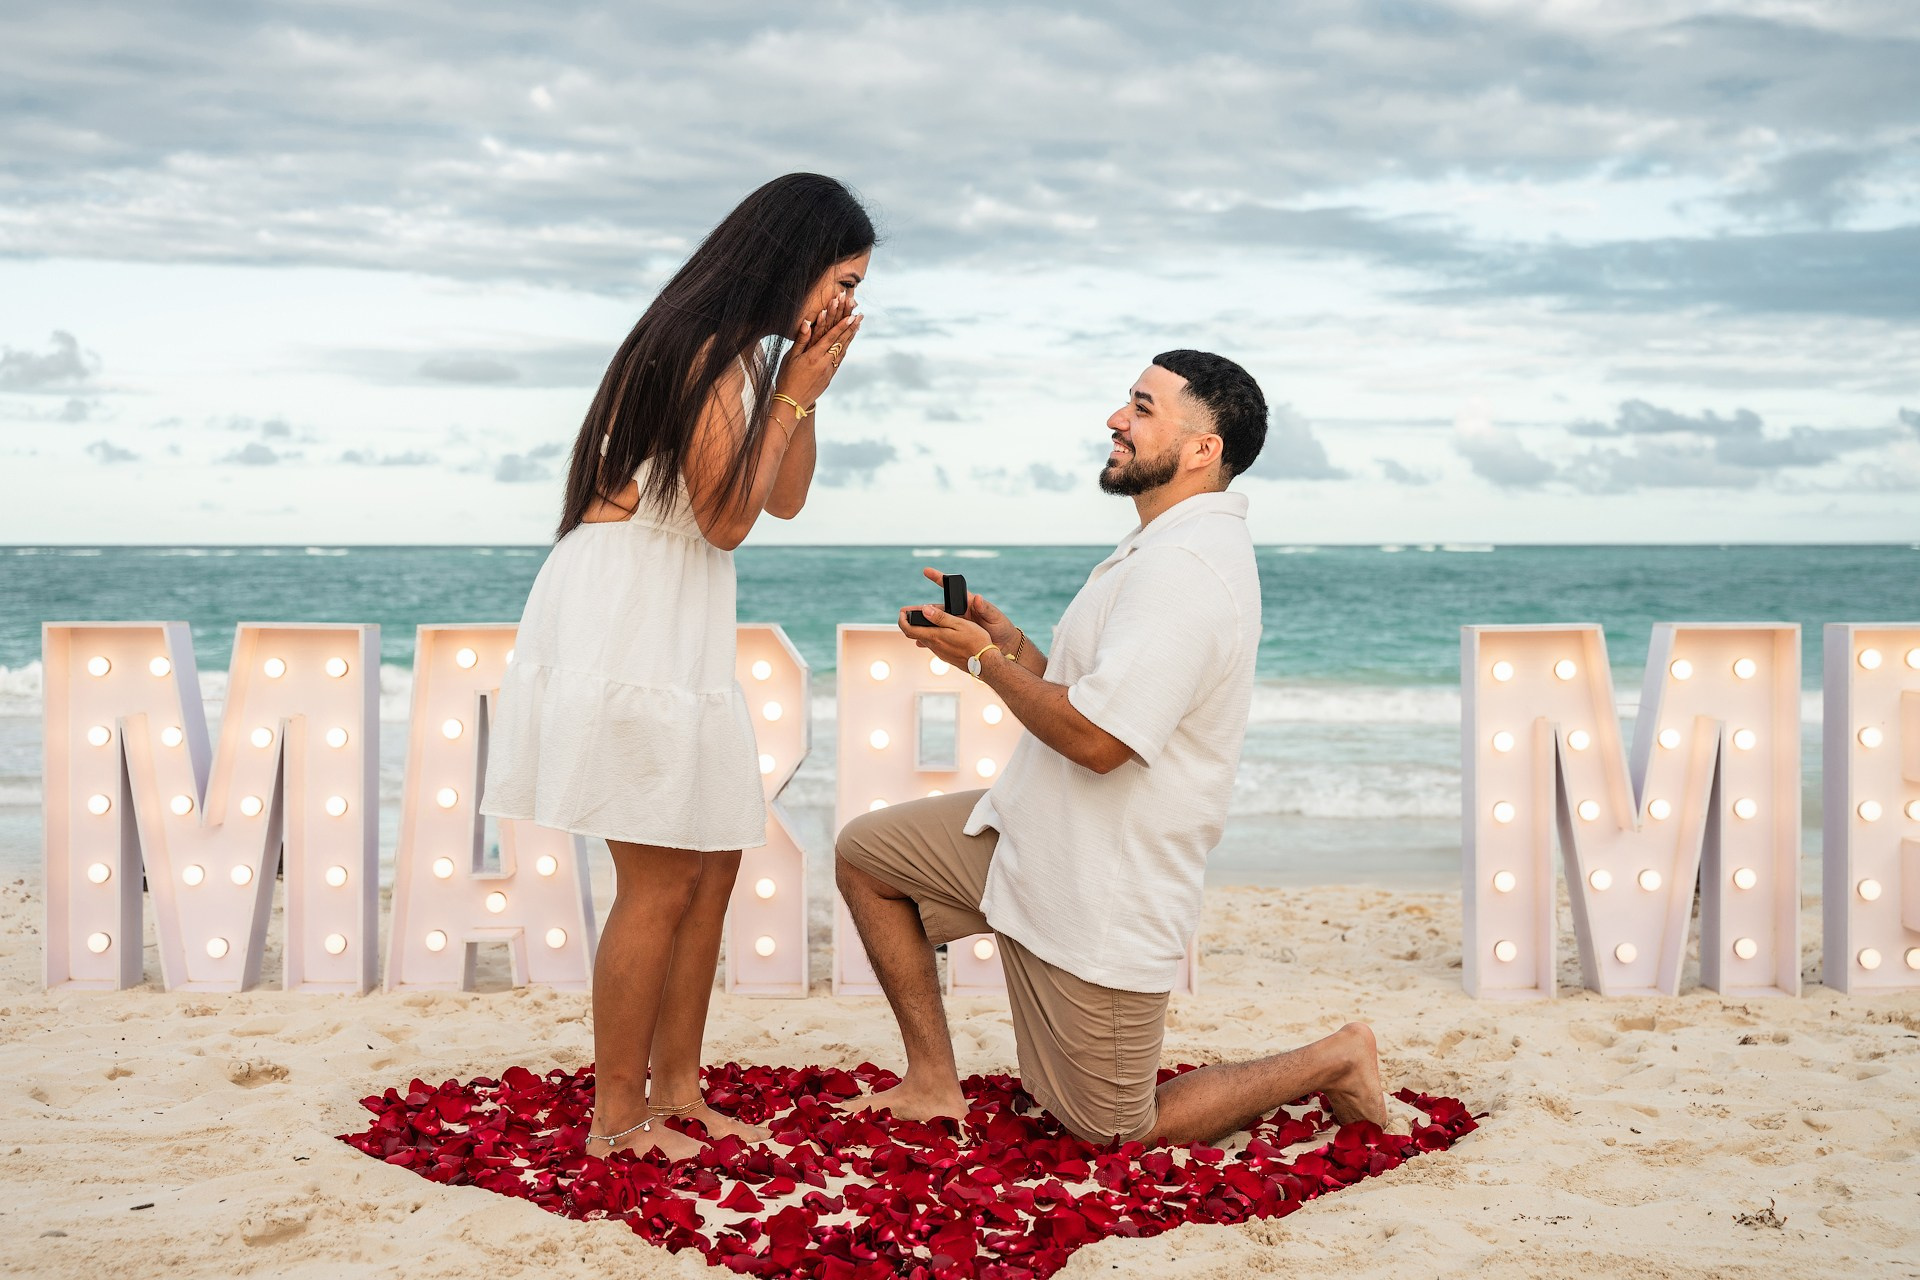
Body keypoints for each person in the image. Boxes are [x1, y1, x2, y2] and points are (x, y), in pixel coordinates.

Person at [835, 350, 1388, 1147]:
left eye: (1142, 407)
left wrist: (985, 664)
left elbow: (1099, 742)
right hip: (1035, 833)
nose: (1115, 420)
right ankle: (930, 1080)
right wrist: (1008, 645)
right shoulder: (1156, 548)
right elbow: (1092, 698)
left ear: (1202, 449)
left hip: (1101, 884)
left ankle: (1337, 1057)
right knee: (869, 857)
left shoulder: (1186, 569)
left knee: (1115, 1130)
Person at [481, 173, 872, 1160]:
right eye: (842, 279)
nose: (846, 303)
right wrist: (793, 389)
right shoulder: (700, 347)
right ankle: (619, 1117)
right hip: (630, 612)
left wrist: (800, 390)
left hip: (672, 608)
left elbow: (783, 497)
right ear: (795, 259)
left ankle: (679, 1092)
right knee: (658, 876)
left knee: (712, 855)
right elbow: (727, 519)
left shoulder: (742, 357)